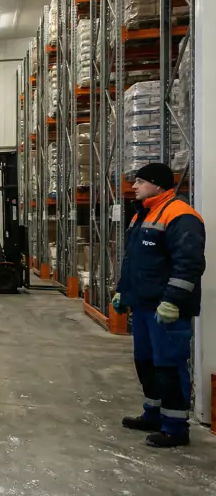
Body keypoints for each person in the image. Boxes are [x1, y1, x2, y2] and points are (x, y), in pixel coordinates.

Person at [112, 163, 205, 448]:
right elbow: (133, 260)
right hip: (142, 305)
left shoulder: (180, 215)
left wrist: (173, 301)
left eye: (140, 181)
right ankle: (153, 413)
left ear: (158, 185)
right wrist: (122, 293)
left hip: (165, 309)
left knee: (169, 364)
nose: (134, 186)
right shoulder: (143, 214)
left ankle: (175, 426)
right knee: (146, 362)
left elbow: (189, 264)